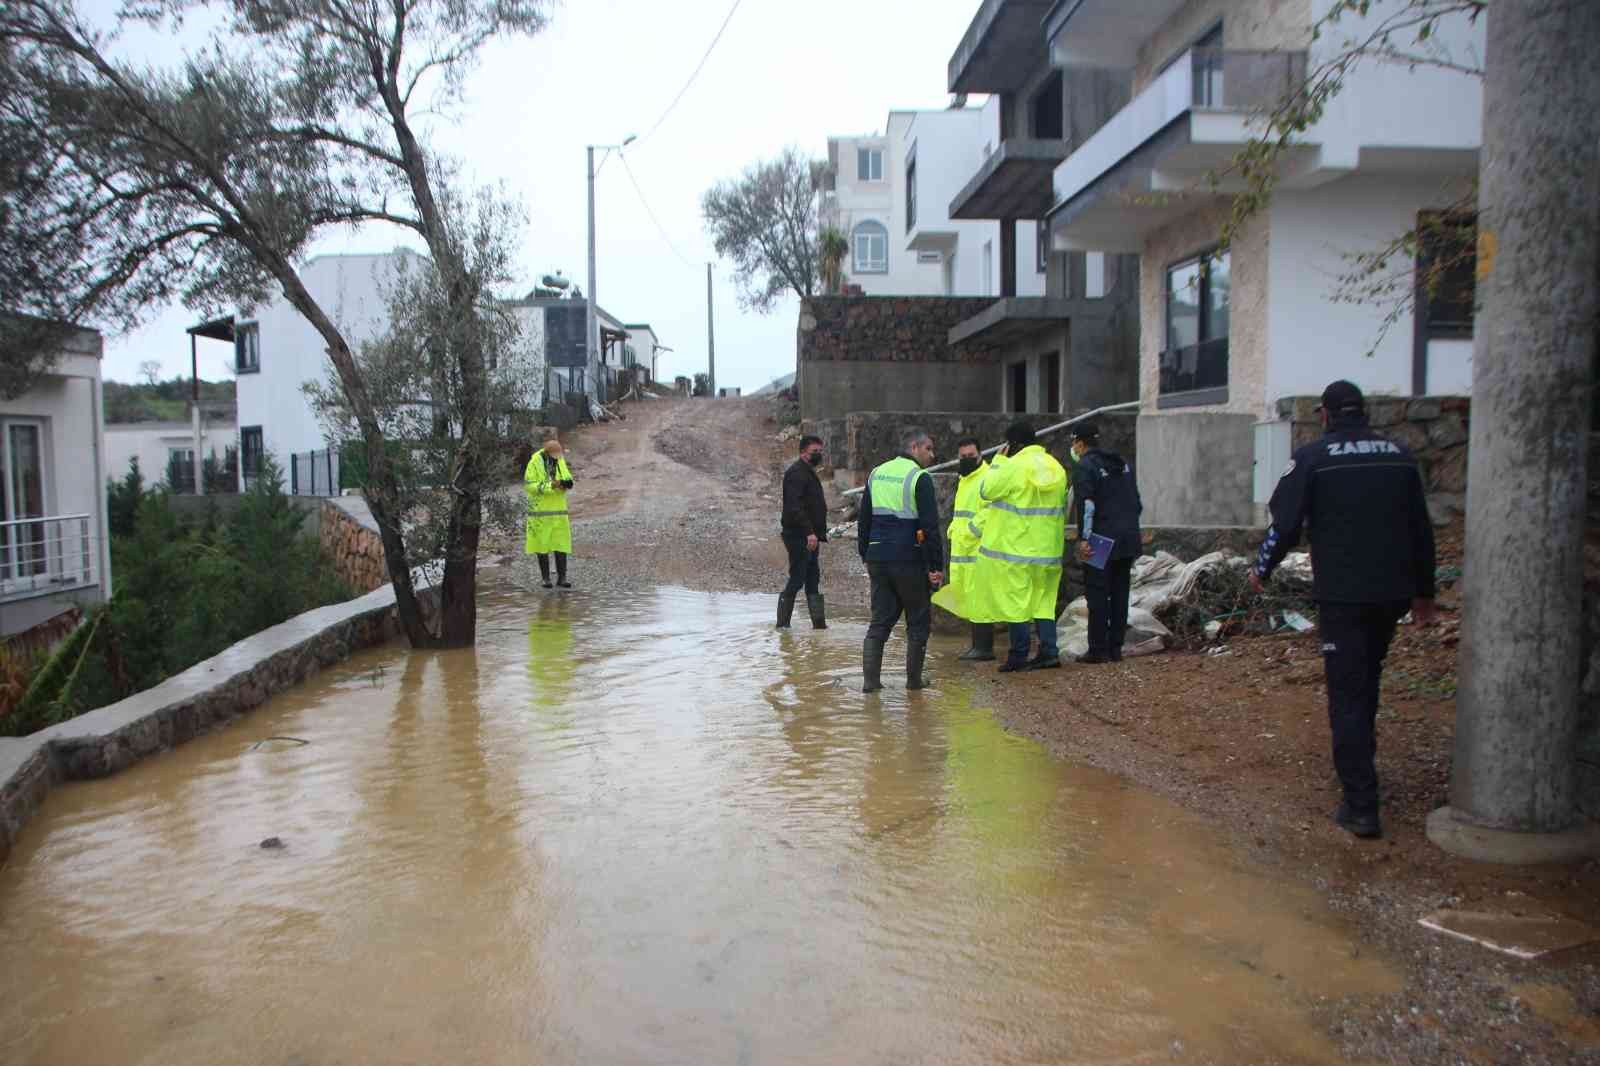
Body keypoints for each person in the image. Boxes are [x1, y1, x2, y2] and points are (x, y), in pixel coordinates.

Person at [1250, 379, 1438, 840]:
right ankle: (1361, 769)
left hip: (1344, 596)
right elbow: (1421, 529)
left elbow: (1284, 524)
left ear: (1325, 415)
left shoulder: (1313, 458)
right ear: (1364, 413)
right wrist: (1424, 594)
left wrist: (1262, 568)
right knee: (1367, 679)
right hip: (1392, 594)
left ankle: (1360, 805)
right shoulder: (1398, 456)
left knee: (1348, 692)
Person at [972, 421, 1068, 672]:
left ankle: (1018, 655)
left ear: (1012, 444)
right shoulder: (1056, 467)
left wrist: (998, 462)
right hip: (1049, 552)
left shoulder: (1012, 466)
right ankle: (1049, 653)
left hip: (1017, 552)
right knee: (1044, 603)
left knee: (1017, 605)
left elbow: (986, 490)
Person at [858, 427, 944, 692]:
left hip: (877, 557)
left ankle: (870, 683)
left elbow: (864, 519)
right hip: (908, 559)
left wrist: (865, 553)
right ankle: (914, 682)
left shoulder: (877, 473)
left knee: (880, 621)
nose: (932, 454)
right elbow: (930, 527)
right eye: (928, 448)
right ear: (914, 448)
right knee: (918, 621)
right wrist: (936, 567)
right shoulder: (919, 477)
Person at [1070, 422, 1143, 664]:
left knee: (1098, 593)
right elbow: (1136, 502)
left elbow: (1087, 505)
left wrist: (1084, 539)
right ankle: (1115, 648)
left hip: (1101, 539)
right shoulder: (1122, 464)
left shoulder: (1085, 466)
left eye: (1074, 443)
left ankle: (1097, 649)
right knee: (1120, 593)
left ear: (1080, 443)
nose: (1074, 448)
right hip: (1128, 537)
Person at [931, 437, 993, 661]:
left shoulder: (987, 478)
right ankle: (978, 646)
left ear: (980, 455)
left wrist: (969, 531)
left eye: (971, 456)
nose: (966, 460)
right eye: (963, 456)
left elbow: (991, 510)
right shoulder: (965, 479)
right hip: (964, 551)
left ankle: (983, 648)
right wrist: (954, 529)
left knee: (980, 601)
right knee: (971, 601)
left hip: (978, 551)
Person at [778, 434, 829, 629]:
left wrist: (817, 532)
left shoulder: (808, 472)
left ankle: (819, 627)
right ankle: (782, 626)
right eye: (814, 451)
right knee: (798, 577)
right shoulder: (796, 473)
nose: (818, 454)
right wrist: (809, 532)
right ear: (802, 453)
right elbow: (794, 506)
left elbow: (811, 504)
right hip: (799, 536)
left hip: (811, 536)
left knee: (813, 579)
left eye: (820, 451)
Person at [525, 437, 575, 589]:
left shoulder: (559, 460)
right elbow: (530, 486)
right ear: (547, 453)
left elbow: (567, 476)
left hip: (558, 512)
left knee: (561, 544)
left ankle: (562, 578)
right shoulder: (534, 462)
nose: (556, 459)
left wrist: (567, 483)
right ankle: (546, 579)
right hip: (540, 512)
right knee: (542, 545)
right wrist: (550, 486)